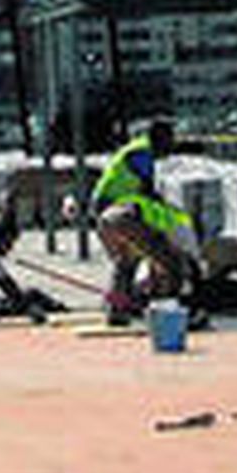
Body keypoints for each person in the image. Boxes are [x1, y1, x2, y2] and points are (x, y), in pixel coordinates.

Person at [92, 118, 199, 325]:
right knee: (168, 262)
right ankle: (169, 313)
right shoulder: (141, 152)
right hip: (119, 210)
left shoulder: (137, 150)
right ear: (157, 138)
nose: (171, 145)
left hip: (108, 214)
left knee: (126, 263)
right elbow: (148, 190)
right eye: (169, 139)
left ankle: (117, 310)